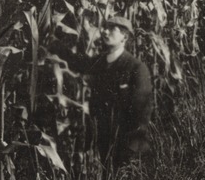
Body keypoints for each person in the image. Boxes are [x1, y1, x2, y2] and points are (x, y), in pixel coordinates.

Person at [50, 14, 155, 167]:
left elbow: (142, 112)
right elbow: (78, 63)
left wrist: (131, 148)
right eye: (105, 28)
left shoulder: (136, 68)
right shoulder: (100, 62)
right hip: (105, 142)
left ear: (124, 37)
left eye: (113, 29)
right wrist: (55, 44)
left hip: (129, 146)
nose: (105, 32)